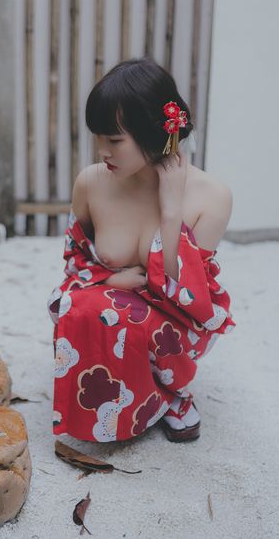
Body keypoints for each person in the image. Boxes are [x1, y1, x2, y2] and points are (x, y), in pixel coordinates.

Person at [47, 58, 235, 443]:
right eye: (98, 137)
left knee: (118, 314)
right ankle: (132, 399)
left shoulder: (212, 197)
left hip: (175, 321)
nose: (102, 151)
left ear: (153, 132)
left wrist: (171, 212)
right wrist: (112, 280)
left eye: (114, 140)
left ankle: (171, 395)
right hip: (110, 304)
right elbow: (76, 258)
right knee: (72, 304)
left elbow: (192, 296)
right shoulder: (90, 183)